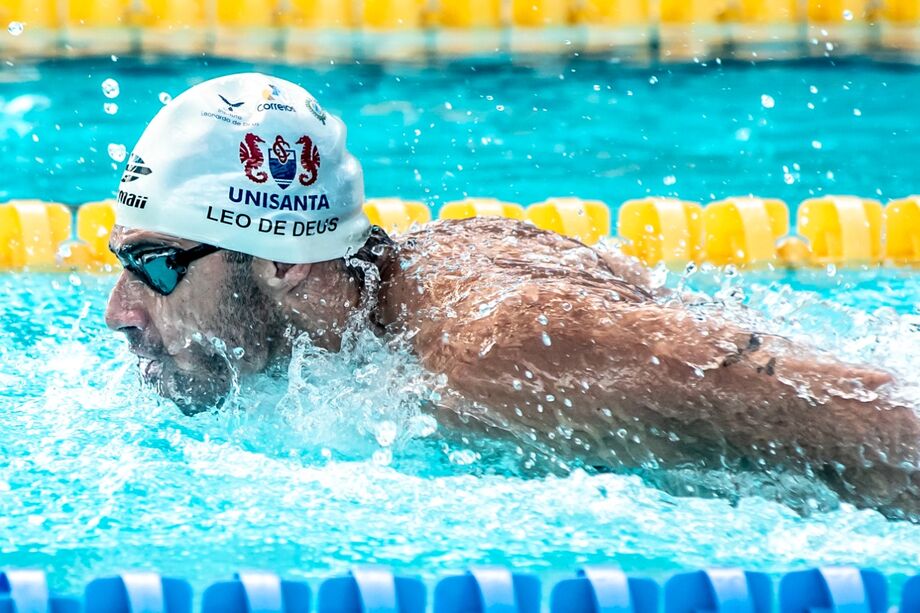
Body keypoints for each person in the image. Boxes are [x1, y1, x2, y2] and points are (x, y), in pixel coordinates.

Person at [105, 73, 919, 520]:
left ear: (285, 263)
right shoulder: (413, 278)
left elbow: (866, 421)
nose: (120, 310)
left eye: (157, 265)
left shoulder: (495, 350)